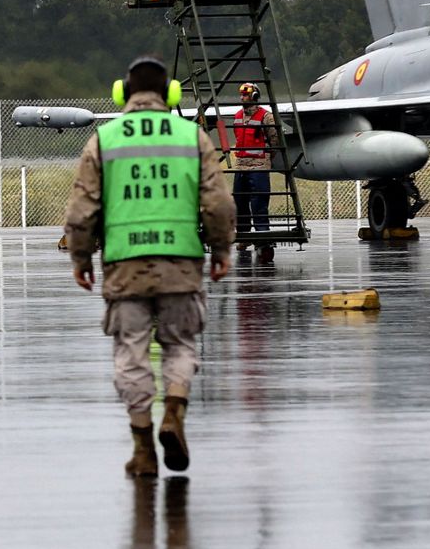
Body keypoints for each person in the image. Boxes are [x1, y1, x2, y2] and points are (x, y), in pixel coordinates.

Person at [63, 56, 233, 477]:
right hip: (181, 263)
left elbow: (83, 209)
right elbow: (217, 203)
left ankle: (142, 450)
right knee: (179, 344)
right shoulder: (191, 137)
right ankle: (173, 412)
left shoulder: (104, 139)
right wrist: (222, 250)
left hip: (125, 264)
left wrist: (81, 258)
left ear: (122, 94)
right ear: (170, 94)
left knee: (131, 353)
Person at [223, 82, 274, 262]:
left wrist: (266, 158)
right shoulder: (237, 116)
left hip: (259, 167)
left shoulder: (265, 117)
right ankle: (243, 237)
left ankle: (262, 236)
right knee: (240, 201)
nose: (242, 97)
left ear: (254, 96)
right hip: (242, 166)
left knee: (259, 203)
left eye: (245, 94)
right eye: (241, 94)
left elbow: (274, 140)